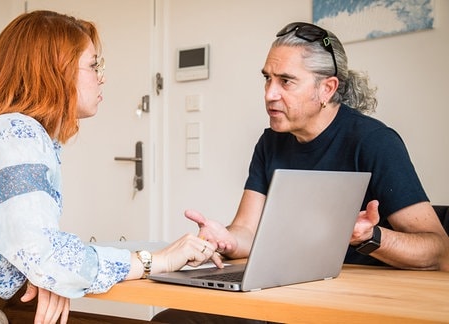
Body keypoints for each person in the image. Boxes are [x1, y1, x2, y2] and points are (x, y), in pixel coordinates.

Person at [0, 11, 215, 324]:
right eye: (93, 66)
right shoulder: (13, 133)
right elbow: (46, 255)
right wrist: (155, 261)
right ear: (56, 71)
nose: (102, 78)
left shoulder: (13, 134)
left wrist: (52, 270)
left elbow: (41, 251)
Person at [152, 21, 449, 323]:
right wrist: (225, 238)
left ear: (327, 88)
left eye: (286, 81)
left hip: (356, 304)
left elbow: (437, 249)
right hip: (284, 294)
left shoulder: (374, 141)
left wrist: (368, 236)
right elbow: (248, 232)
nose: (270, 94)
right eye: (267, 79)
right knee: (171, 320)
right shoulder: (271, 142)